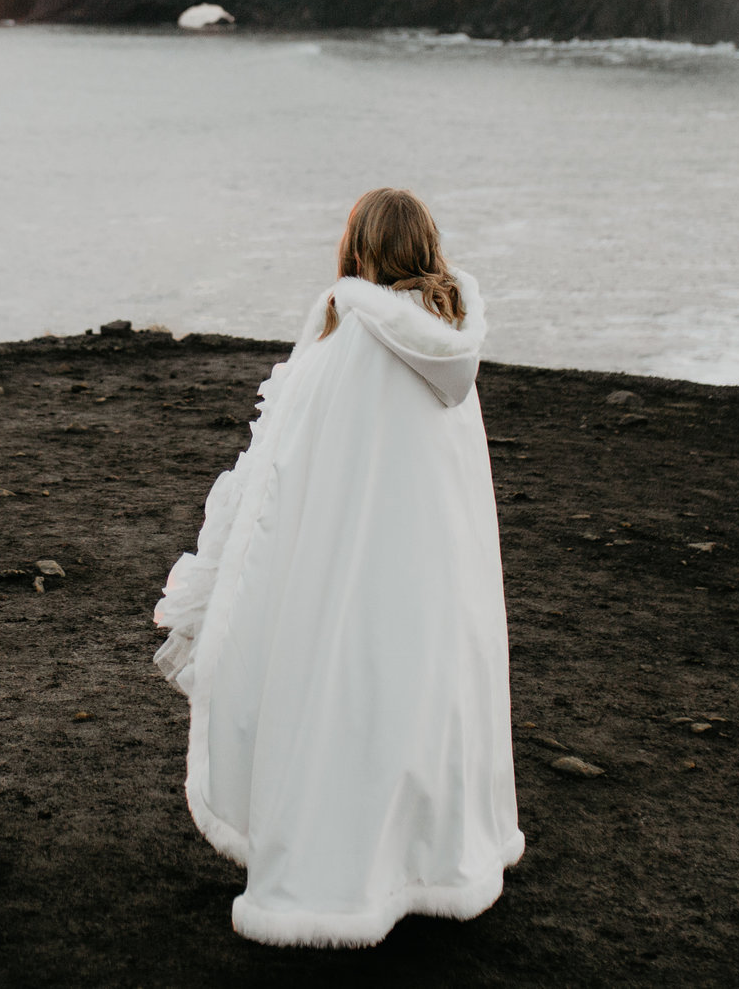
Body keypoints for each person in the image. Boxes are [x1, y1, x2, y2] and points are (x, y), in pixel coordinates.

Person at [153, 187, 522, 946]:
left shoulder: (352, 339)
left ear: (359, 250)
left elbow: (294, 467)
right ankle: (435, 867)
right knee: (424, 707)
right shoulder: (453, 338)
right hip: (434, 581)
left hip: (353, 571)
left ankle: (339, 880)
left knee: (345, 709)